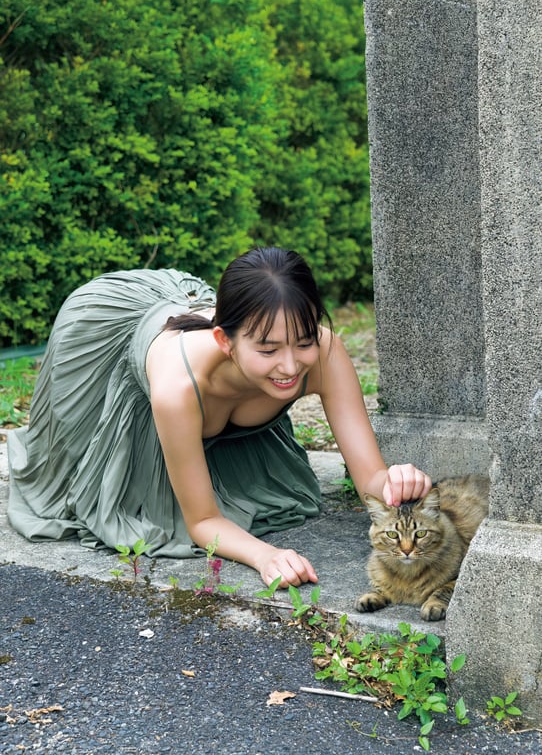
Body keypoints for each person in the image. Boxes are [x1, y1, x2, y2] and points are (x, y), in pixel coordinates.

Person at [7, 247, 431, 587]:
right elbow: (203, 521)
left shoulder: (323, 352)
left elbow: (370, 480)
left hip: (196, 325)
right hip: (106, 335)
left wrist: (395, 482)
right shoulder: (177, 389)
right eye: (268, 350)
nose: (289, 366)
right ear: (224, 341)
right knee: (67, 477)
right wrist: (264, 555)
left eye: (302, 342)